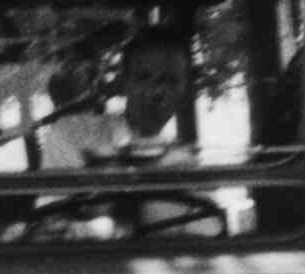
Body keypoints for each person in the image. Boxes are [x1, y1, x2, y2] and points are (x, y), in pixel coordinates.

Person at [39, 27, 193, 169]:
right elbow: (59, 198)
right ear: (125, 82)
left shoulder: (184, 164)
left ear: (184, 88)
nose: (157, 91)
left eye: (171, 80)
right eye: (143, 78)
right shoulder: (73, 135)